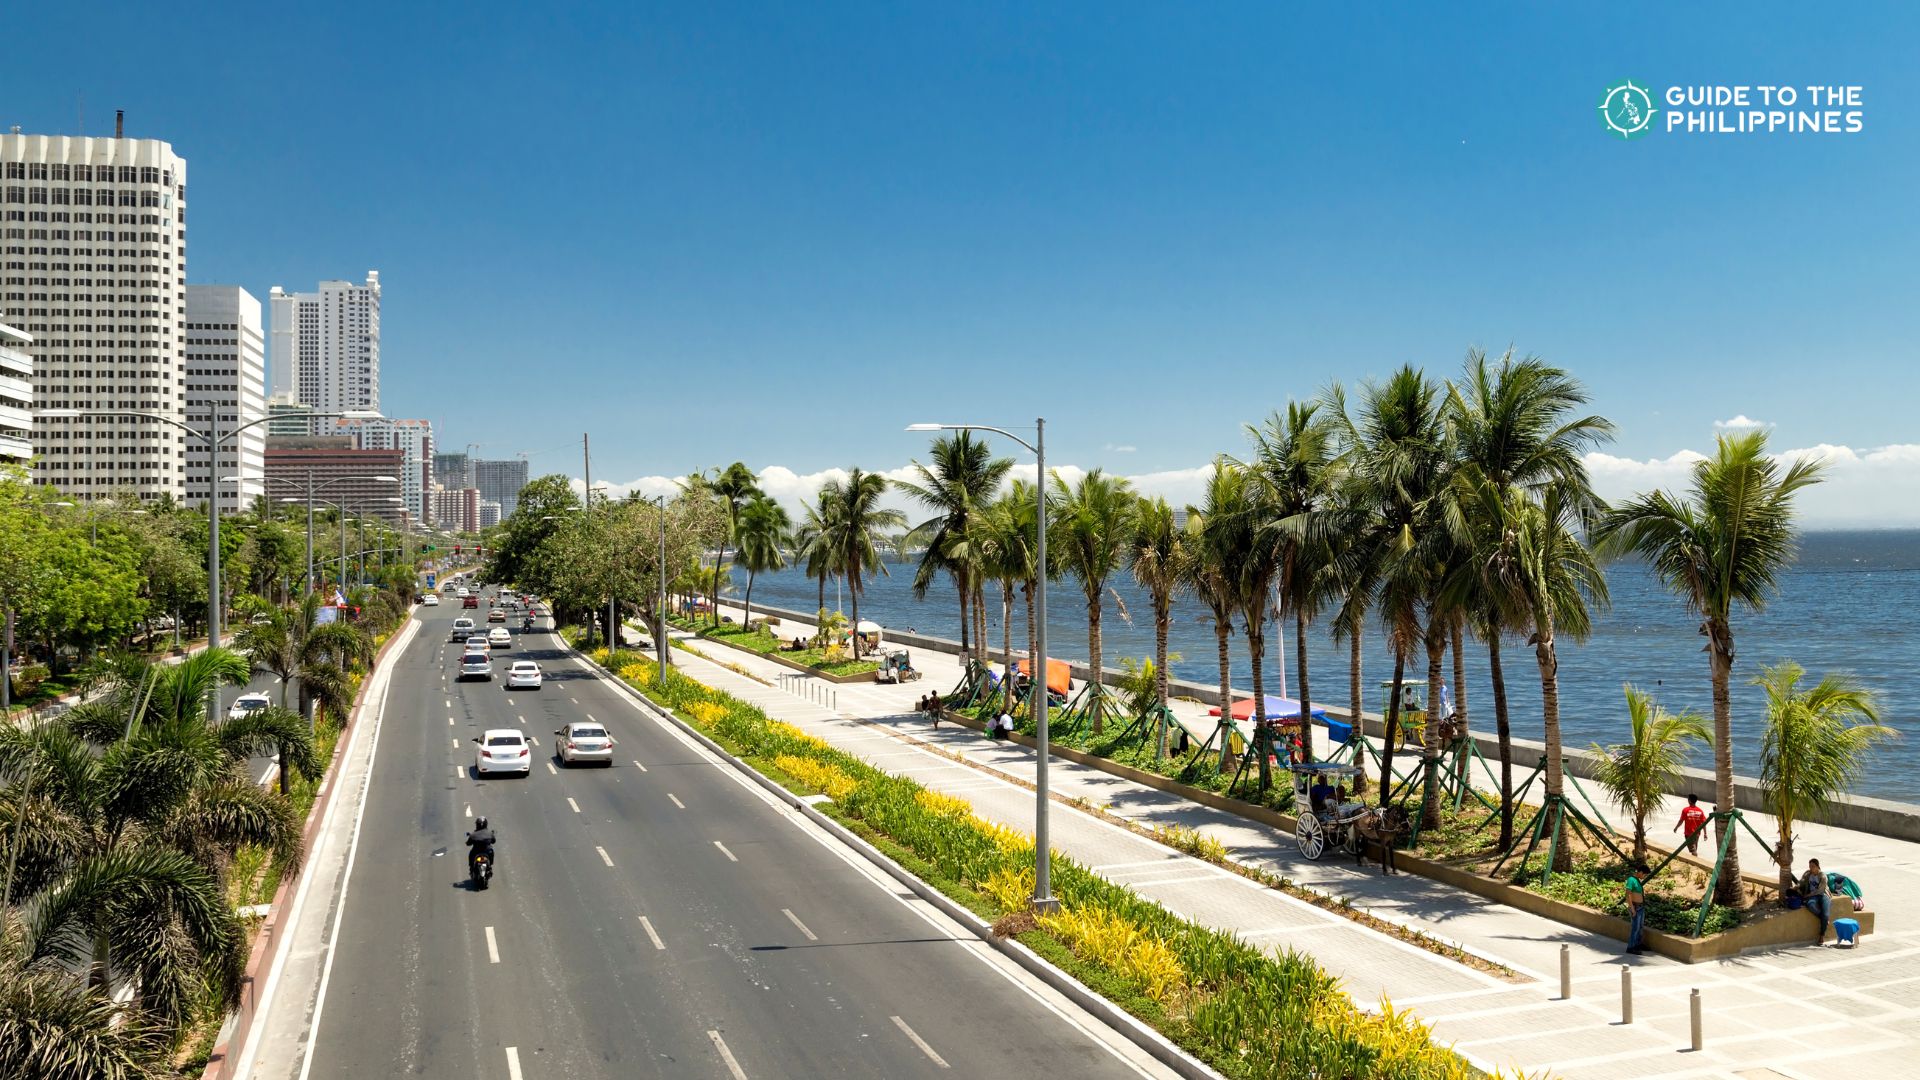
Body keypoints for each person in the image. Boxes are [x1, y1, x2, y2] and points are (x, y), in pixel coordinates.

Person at [1802, 858, 1832, 944]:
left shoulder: (1822, 876)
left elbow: (1820, 890)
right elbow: (1802, 882)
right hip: (1813, 897)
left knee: (1826, 914)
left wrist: (1808, 895)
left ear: (1818, 866)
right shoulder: (1808, 874)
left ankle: (1821, 935)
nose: (1811, 868)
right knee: (1810, 904)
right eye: (1810, 866)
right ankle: (1824, 920)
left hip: (1823, 895)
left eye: (1813, 866)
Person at [1623, 873, 1647, 954]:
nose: (1644, 876)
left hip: (1640, 907)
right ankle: (1631, 947)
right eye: (1645, 874)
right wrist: (1632, 909)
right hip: (1636, 907)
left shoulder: (1637, 880)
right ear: (1640, 872)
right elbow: (1628, 894)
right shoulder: (1631, 880)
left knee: (1640, 927)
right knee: (1635, 928)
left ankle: (1638, 944)